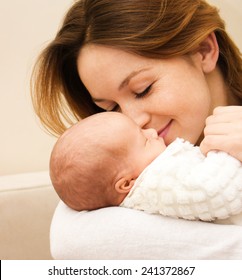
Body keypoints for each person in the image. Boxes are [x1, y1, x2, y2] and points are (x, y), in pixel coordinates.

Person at [31, 0, 242, 259]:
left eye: (143, 90)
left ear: (203, 49)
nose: (132, 120)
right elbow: (71, 243)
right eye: (110, 108)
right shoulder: (127, 174)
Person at [50, 111, 242, 225]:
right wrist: (222, 151)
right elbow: (213, 191)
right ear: (127, 183)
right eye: (144, 140)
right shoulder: (154, 185)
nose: (151, 131)